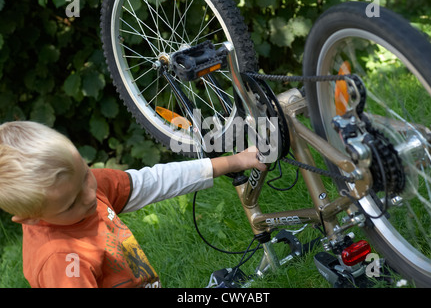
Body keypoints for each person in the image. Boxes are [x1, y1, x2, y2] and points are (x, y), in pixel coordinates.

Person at [0, 120, 266, 288]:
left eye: (85, 176)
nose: (90, 196)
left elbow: (153, 182)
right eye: (71, 205)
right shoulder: (61, 262)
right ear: (31, 218)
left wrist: (234, 161)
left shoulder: (81, 188)